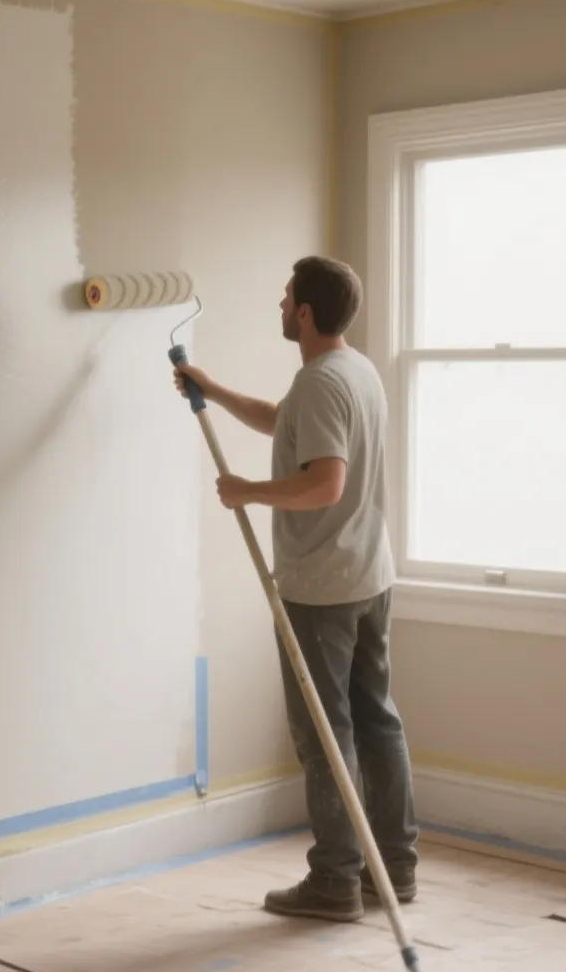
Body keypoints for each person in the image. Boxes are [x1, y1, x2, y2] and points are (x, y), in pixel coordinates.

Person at [172, 255, 418, 923]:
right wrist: (212, 390)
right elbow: (284, 419)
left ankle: (337, 880)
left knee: (324, 731)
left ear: (306, 313)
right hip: (370, 576)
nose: (280, 307)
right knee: (375, 719)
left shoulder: (318, 384)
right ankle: (392, 866)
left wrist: (247, 492)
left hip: (323, 588)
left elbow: (326, 483)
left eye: (286, 299)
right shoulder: (353, 371)